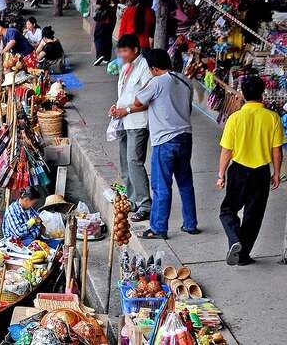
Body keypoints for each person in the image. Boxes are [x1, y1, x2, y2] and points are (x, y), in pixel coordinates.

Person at [115, 49, 197, 239]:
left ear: (153, 68)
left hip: (165, 140)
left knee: (161, 187)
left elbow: (138, 100)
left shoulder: (157, 82)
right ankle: (190, 224)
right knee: (185, 183)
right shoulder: (185, 80)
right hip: (185, 137)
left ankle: (158, 228)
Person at [217, 75, 284, 266]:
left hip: (238, 171)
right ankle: (243, 256)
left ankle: (234, 239)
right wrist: (276, 173)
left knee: (228, 210)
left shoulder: (235, 118)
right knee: (253, 216)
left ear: (243, 94)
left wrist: (221, 174)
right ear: (262, 93)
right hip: (261, 173)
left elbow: (227, 150)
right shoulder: (272, 118)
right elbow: (276, 151)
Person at [109, 34, 153, 221]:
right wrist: (116, 108)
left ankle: (145, 204)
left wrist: (126, 110)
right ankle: (132, 199)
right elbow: (125, 94)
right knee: (125, 162)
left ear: (135, 50)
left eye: (125, 51)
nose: (122, 54)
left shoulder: (145, 68)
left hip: (138, 122)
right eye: (120, 51)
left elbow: (148, 99)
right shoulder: (126, 67)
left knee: (134, 161)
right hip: (123, 121)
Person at [93, 0, 119, 65]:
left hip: (104, 18)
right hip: (112, 18)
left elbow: (99, 5)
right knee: (108, 37)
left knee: (98, 36)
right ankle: (107, 57)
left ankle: (100, 54)